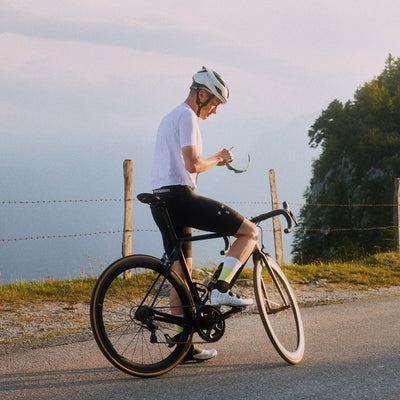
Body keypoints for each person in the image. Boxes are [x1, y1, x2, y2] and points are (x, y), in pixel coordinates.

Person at [150, 66, 258, 362]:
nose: (214, 111)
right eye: (214, 104)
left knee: (179, 277)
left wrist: (212, 161)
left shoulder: (169, 117)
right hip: (180, 199)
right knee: (249, 231)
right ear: (200, 95)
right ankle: (222, 287)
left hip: (160, 203)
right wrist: (219, 158)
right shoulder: (187, 116)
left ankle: (182, 347)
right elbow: (193, 164)